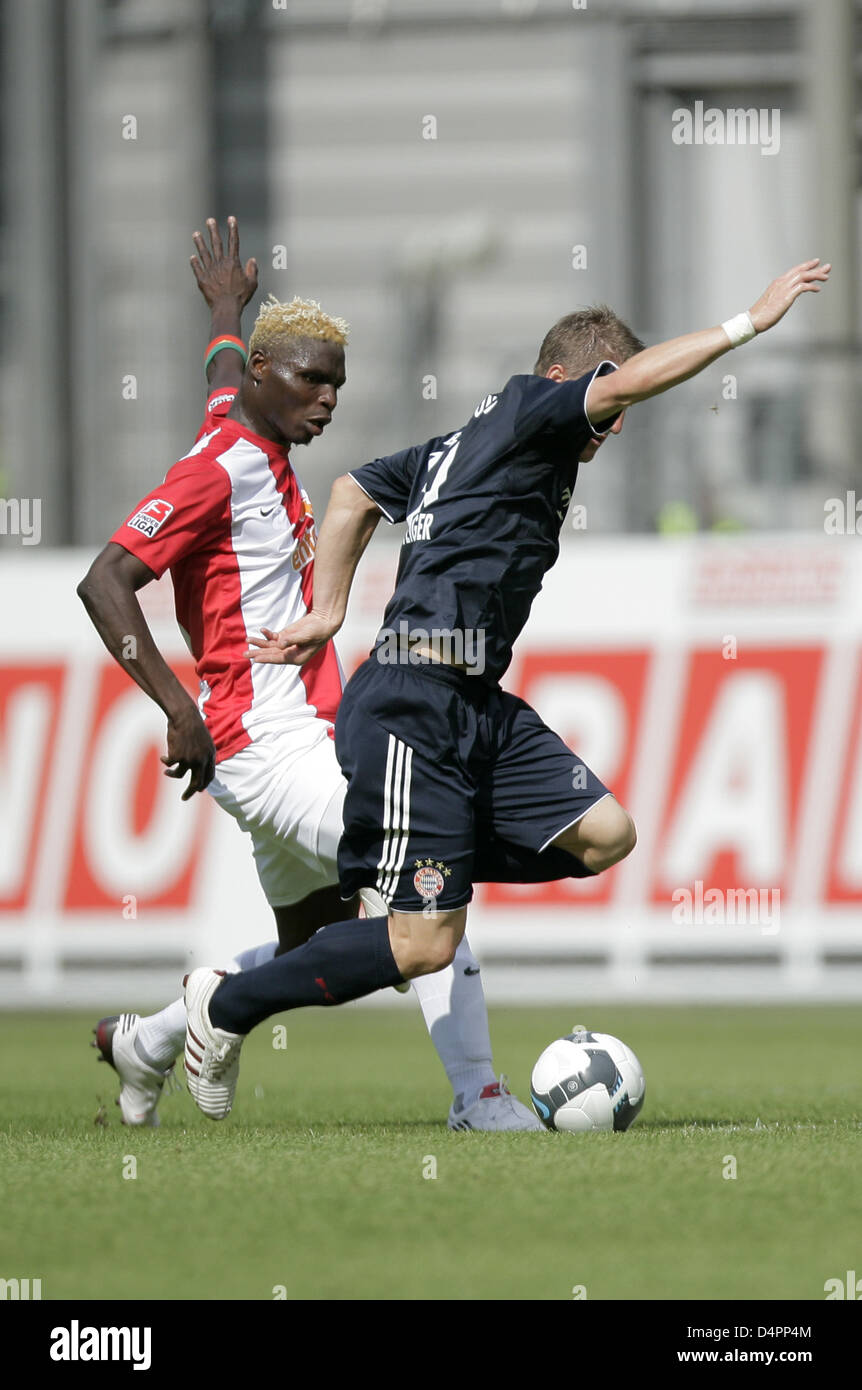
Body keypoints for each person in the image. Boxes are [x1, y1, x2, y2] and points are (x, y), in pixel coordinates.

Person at [176, 257, 831, 1121]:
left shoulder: (466, 441)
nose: (615, 423)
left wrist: (330, 608)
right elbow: (621, 379)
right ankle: (225, 1006)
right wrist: (748, 323)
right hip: (414, 701)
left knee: (605, 836)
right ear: (568, 379)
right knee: (422, 945)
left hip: (474, 700)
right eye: (610, 404)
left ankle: (407, 855)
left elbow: (351, 492)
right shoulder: (531, 407)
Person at [80, 217, 541, 1132]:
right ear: (267, 377)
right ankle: (478, 1096)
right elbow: (105, 582)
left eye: (336, 383)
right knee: (427, 881)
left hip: (294, 738)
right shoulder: (217, 470)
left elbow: (220, 379)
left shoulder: (245, 426)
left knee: (322, 947)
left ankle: (155, 1039)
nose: (327, 399)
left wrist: (223, 311)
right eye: (310, 380)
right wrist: (179, 711)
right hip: (262, 738)